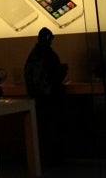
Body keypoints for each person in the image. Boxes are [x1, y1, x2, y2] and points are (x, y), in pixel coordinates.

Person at [23, 27, 68, 166]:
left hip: (38, 98)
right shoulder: (49, 54)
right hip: (51, 98)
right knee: (53, 128)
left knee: (42, 130)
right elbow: (56, 75)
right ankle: (54, 159)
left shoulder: (33, 54)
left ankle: (44, 158)